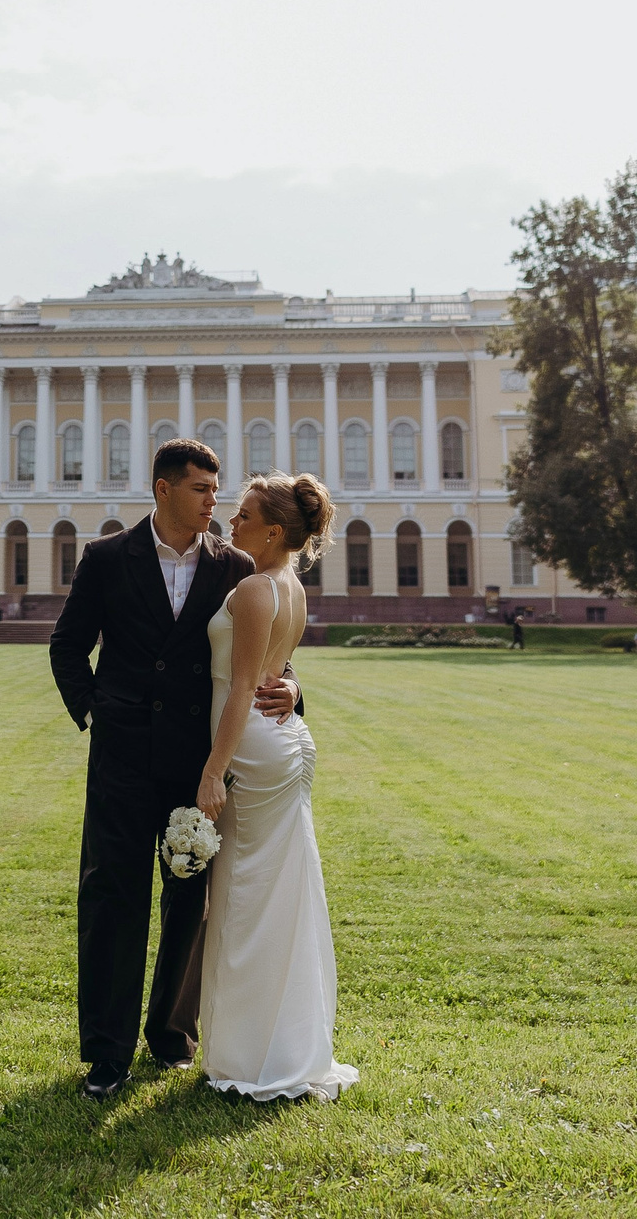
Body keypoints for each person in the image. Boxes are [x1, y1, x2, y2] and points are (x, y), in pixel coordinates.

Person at [48, 438, 300, 1100]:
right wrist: (95, 713)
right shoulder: (107, 559)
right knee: (113, 900)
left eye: (216, 491)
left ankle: (171, 1037)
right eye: (200, 490)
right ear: (163, 489)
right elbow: (68, 644)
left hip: (198, 761)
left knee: (189, 901)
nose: (213, 502)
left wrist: (295, 690)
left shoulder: (237, 564)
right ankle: (106, 1054)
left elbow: (267, 650)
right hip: (123, 758)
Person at [196, 472, 360, 1102]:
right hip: (285, 741)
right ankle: (276, 1041)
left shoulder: (256, 589)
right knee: (277, 890)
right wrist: (290, 687)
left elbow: (240, 689)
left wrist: (214, 770)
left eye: (240, 517)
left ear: (272, 531)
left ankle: (251, 1054)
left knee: (244, 897)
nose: (228, 524)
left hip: (257, 751)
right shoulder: (291, 585)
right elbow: (279, 670)